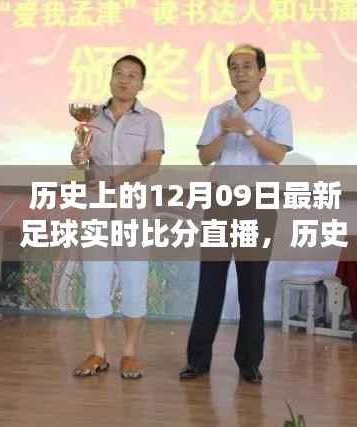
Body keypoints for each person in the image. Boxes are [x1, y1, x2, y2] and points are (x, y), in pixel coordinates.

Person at [179, 44, 293, 384]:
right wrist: (225, 131)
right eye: (234, 67)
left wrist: (246, 129)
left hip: (258, 204)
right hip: (220, 201)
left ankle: (249, 363)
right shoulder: (218, 112)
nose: (240, 72)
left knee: (252, 285)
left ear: (262, 72)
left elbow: (277, 155)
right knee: (210, 283)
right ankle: (197, 361)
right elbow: (205, 157)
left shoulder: (277, 112)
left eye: (247, 66)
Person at [71, 55, 164, 379]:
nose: (124, 80)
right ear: (110, 78)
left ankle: (130, 354)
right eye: (119, 74)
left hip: (134, 212)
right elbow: (82, 165)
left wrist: (113, 182)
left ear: (141, 84)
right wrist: (78, 157)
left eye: (132, 75)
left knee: (134, 284)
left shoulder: (150, 120)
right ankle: (98, 353)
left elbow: (152, 163)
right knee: (95, 284)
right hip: (96, 211)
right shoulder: (91, 117)